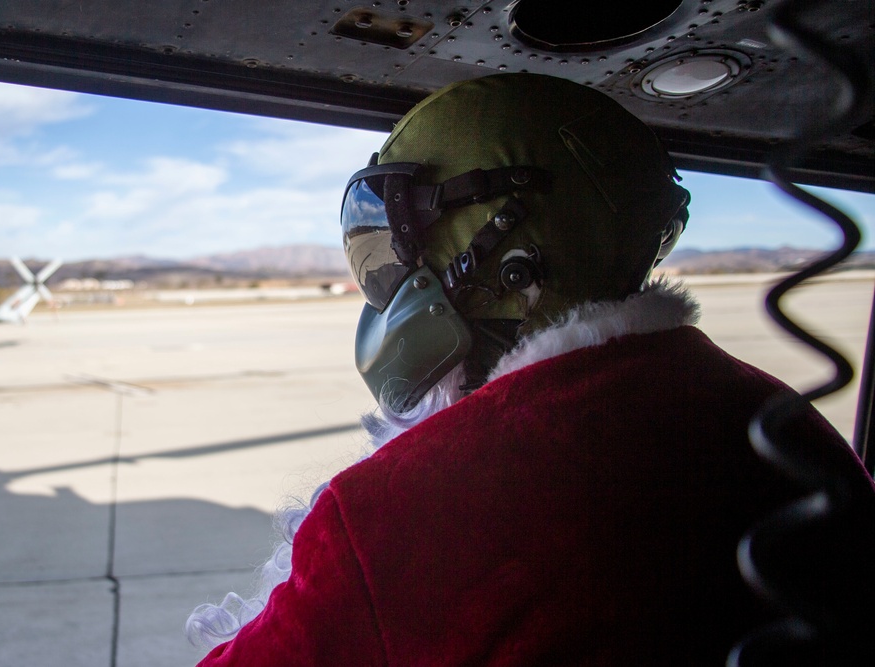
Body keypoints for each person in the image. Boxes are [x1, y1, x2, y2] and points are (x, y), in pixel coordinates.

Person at [187, 73, 873, 665]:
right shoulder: (795, 434)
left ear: (506, 255)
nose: (391, 288)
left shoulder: (396, 510)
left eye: (399, 255)